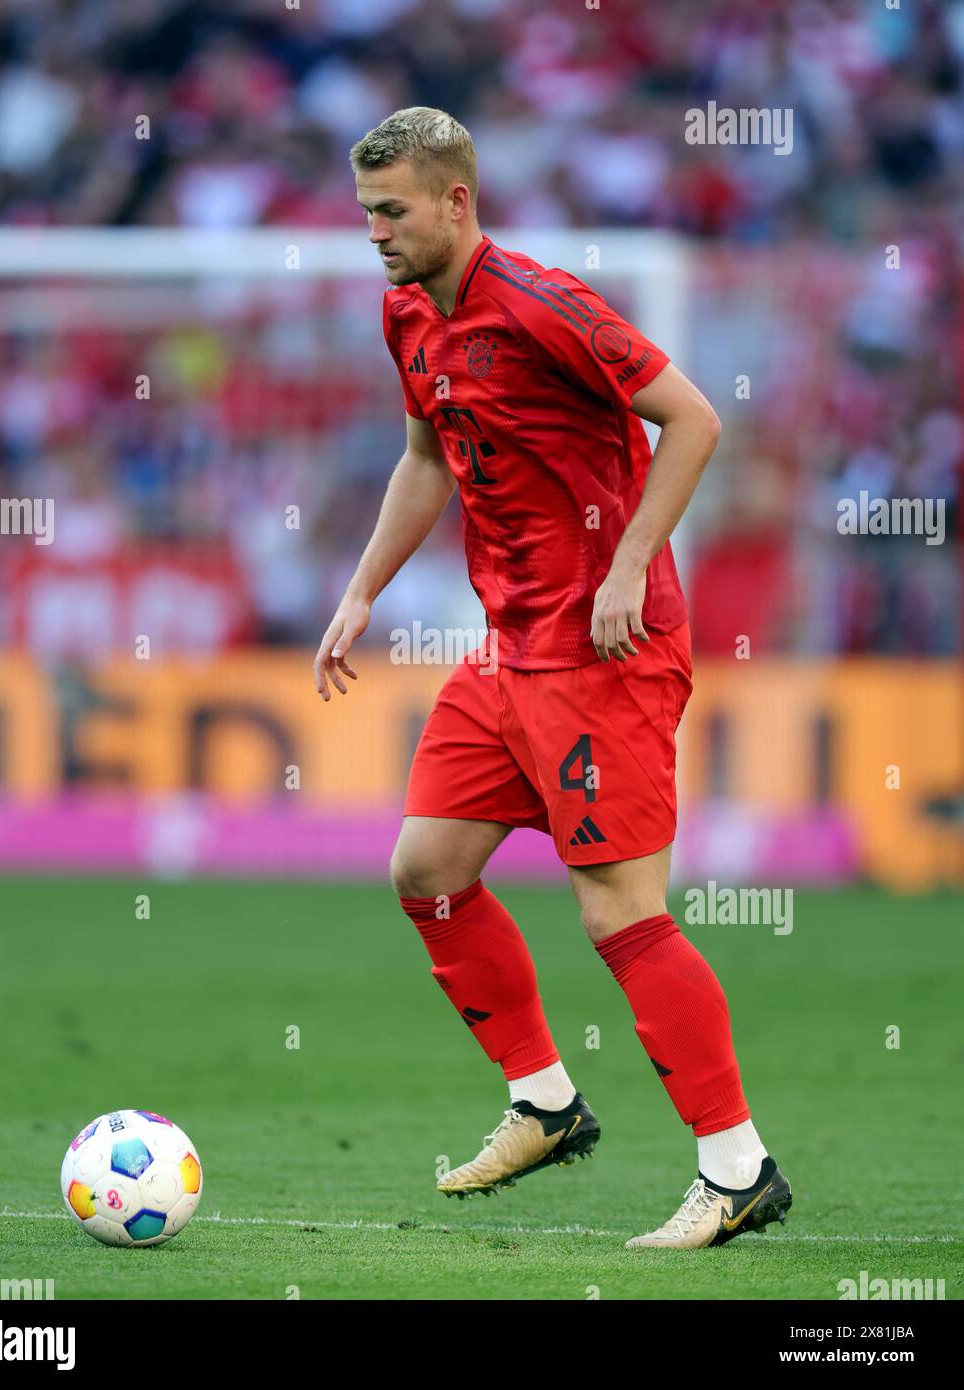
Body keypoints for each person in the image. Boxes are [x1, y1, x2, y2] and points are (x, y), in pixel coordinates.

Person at [313, 107, 791, 1249]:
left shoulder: (540, 305)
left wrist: (629, 562)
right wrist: (363, 588)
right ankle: (543, 1100)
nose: (372, 231)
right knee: (425, 869)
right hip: (506, 647)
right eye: (364, 211)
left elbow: (692, 418)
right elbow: (428, 455)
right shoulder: (406, 314)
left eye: (392, 210)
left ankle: (736, 1167)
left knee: (618, 914)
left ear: (455, 202)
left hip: (604, 653)